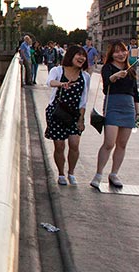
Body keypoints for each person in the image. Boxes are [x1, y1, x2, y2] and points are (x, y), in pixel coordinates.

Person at [91, 41, 139, 189]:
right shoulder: (107, 67)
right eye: (117, 52)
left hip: (129, 108)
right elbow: (106, 85)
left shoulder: (131, 70)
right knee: (109, 143)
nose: (121, 54)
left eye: (123, 51)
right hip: (113, 106)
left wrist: (137, 114)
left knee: (122, 144)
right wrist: (115, 76)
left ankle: (114, 174)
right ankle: (98, 174)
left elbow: (136, 94)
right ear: (111, 54)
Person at [44, 45, 90, 185]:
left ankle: (71, 172)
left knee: (74, 144)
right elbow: (49, 82)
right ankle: (61, 173)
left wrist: (81, 119)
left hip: (75, 114)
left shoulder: (85, 76)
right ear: (70, 56)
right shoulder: (57, 70)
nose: (81, 58)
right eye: (78, 55)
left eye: (83, 55)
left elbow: (83, 100)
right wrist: (61, 84)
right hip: (57, 112)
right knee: (59, 146)